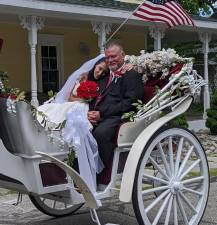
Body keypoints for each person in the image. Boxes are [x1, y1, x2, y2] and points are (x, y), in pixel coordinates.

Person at [37, 55, 108, 193]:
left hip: (84, 107)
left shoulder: (100, 83)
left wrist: (88, 98)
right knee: (52, 111)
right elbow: (69, 96)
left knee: (74, 121)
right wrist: (83, 97)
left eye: (103, 72)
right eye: (99, 69)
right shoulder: (82, 76)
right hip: (74, 103)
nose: (99, 73)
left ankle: (72, 157)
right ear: (95, 65)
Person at [88, 42, 145, 185]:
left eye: (113, 56)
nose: (110, 60)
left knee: (100, 134)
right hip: (100, 116)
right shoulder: (106, 75)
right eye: (107, 57)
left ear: (123, 55)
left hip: (119, 117)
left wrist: (101, 114)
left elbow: (130, 103)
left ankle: (98, 174)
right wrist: (89, 113)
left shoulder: (131, 75)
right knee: (78, 130)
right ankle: (79, 169)